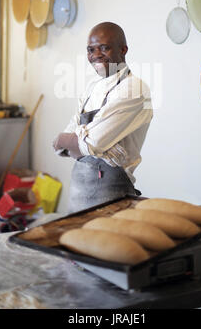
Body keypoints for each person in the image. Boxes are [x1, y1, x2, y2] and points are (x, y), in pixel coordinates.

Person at [53, 22, 153, 213]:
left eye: (104, 48)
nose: (96, 55)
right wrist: (72, 141)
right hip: (78, 193)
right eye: (91, 50)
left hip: (112, 195)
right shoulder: (92, 88)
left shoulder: (134, 88)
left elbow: (92, 143)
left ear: (123, 50)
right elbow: (66, 139)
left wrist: (71, 140)